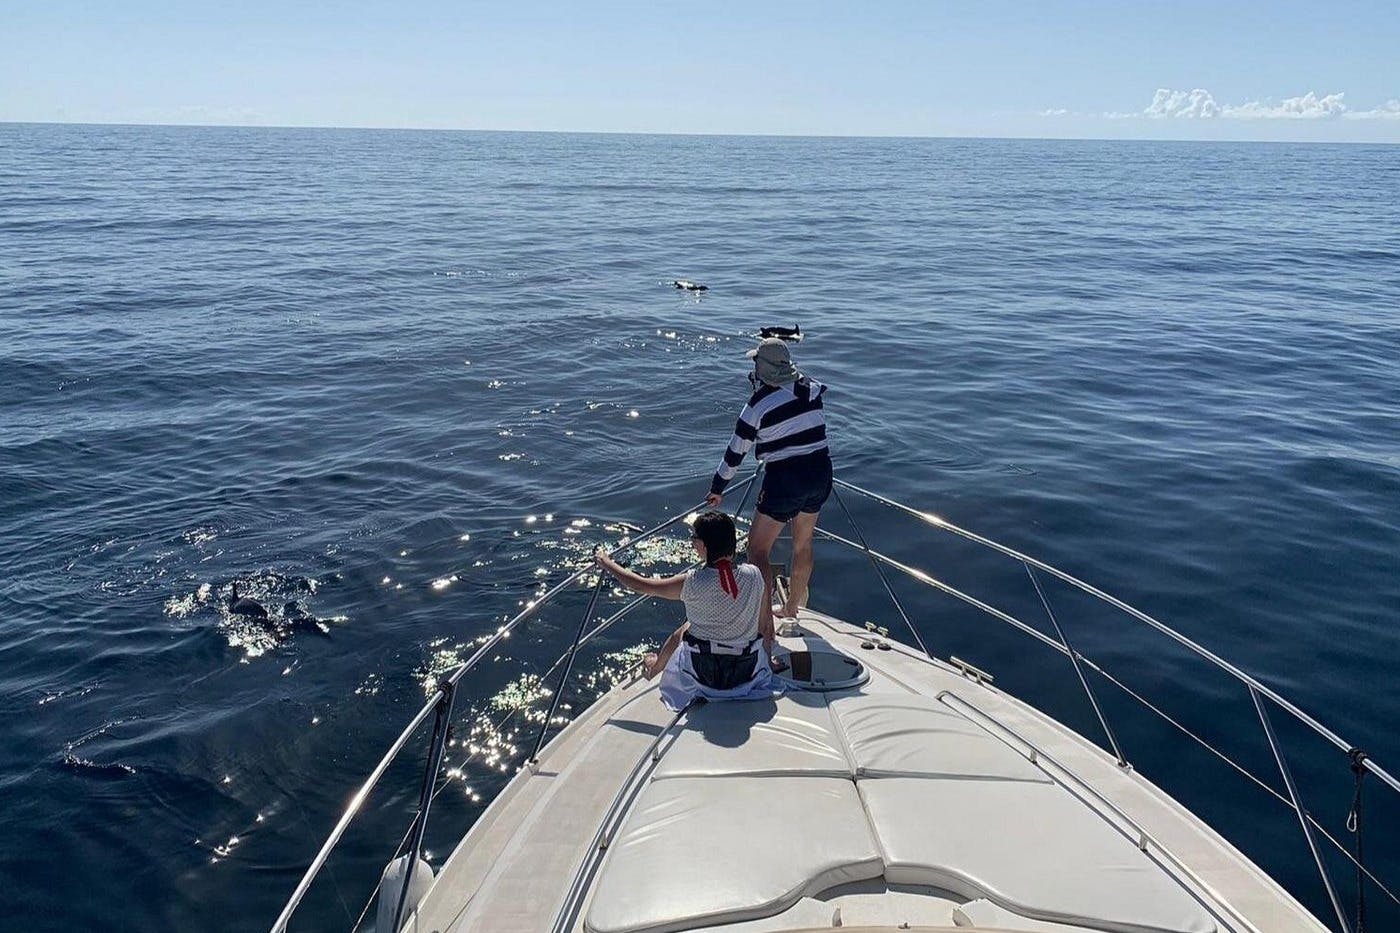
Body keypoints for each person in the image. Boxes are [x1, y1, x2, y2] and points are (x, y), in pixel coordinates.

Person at [704, 336, 832, 637]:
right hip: (820, 471)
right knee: (803, 544)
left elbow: (736, 452)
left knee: (758, 551)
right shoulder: (811, 388)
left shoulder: (757, 405)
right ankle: (791, 609)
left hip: (785, 478)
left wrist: (718, 488)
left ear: (761, 369)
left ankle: (764, 625)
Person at [594, 511, 778, 711]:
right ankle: (657, 666)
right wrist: (766, 662)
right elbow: (764, 625)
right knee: (687, 629)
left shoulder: (692, 582)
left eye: (694, 538)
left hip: (705, 676)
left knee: (685, 631)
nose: (692, 542)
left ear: (702, 546)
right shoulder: (754, 575)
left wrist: (607, 563)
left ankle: (654, 669)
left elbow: (641, 586)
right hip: (744, 672)